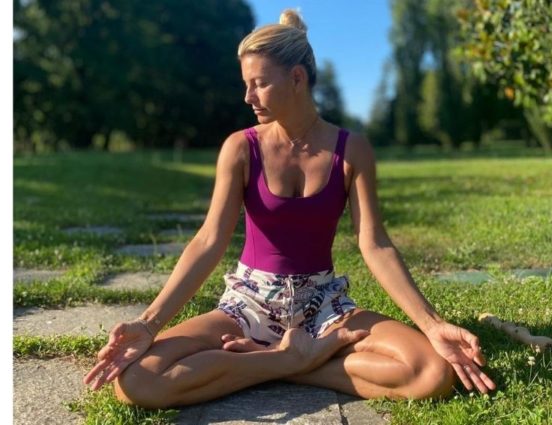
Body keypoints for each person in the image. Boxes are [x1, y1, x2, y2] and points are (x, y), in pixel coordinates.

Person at [82, 9, 495, 409]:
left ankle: (288, 362)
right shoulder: (241, 148)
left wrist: (432, 325)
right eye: (246, 84)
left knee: (431, 373)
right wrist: (149, 323)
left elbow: (375, 244)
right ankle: (292, 359)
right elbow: (209, 241)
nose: (247, 97)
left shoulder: (352, 150)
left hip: (325, 307)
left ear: (296, 78)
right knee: (138, 381)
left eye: (259, 84)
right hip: (249, 304)